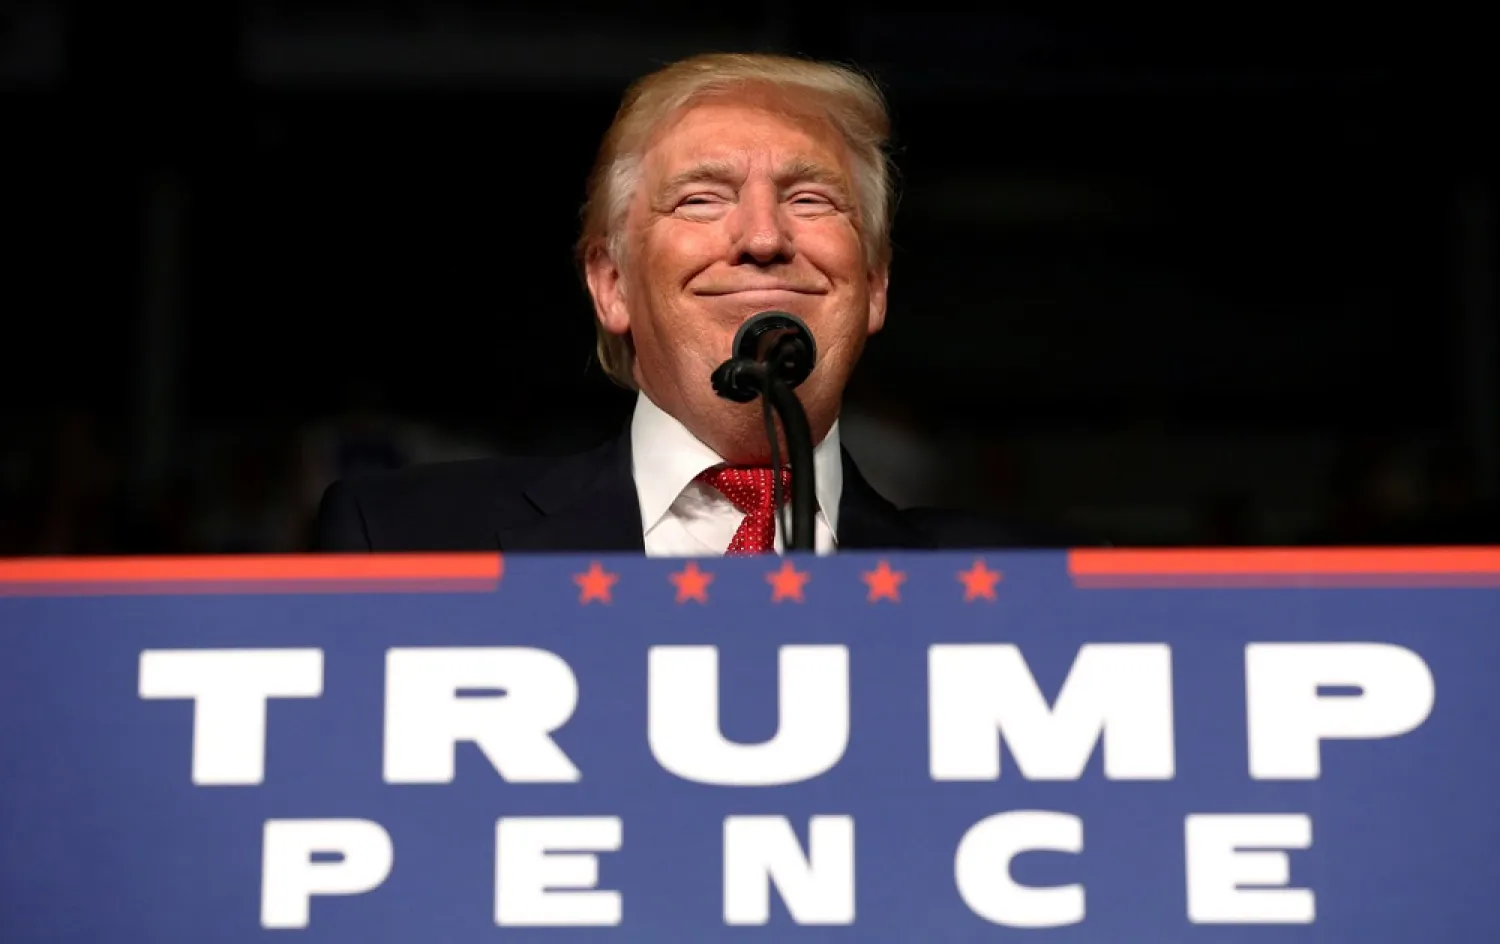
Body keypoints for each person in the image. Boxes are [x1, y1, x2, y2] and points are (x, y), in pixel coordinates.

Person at [315, 52, 1040, 554]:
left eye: (811, 199)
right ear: (612, 285)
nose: (763, 236)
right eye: (700, 199)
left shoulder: (1037, 589)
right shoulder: (404, 540)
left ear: (875, 285)